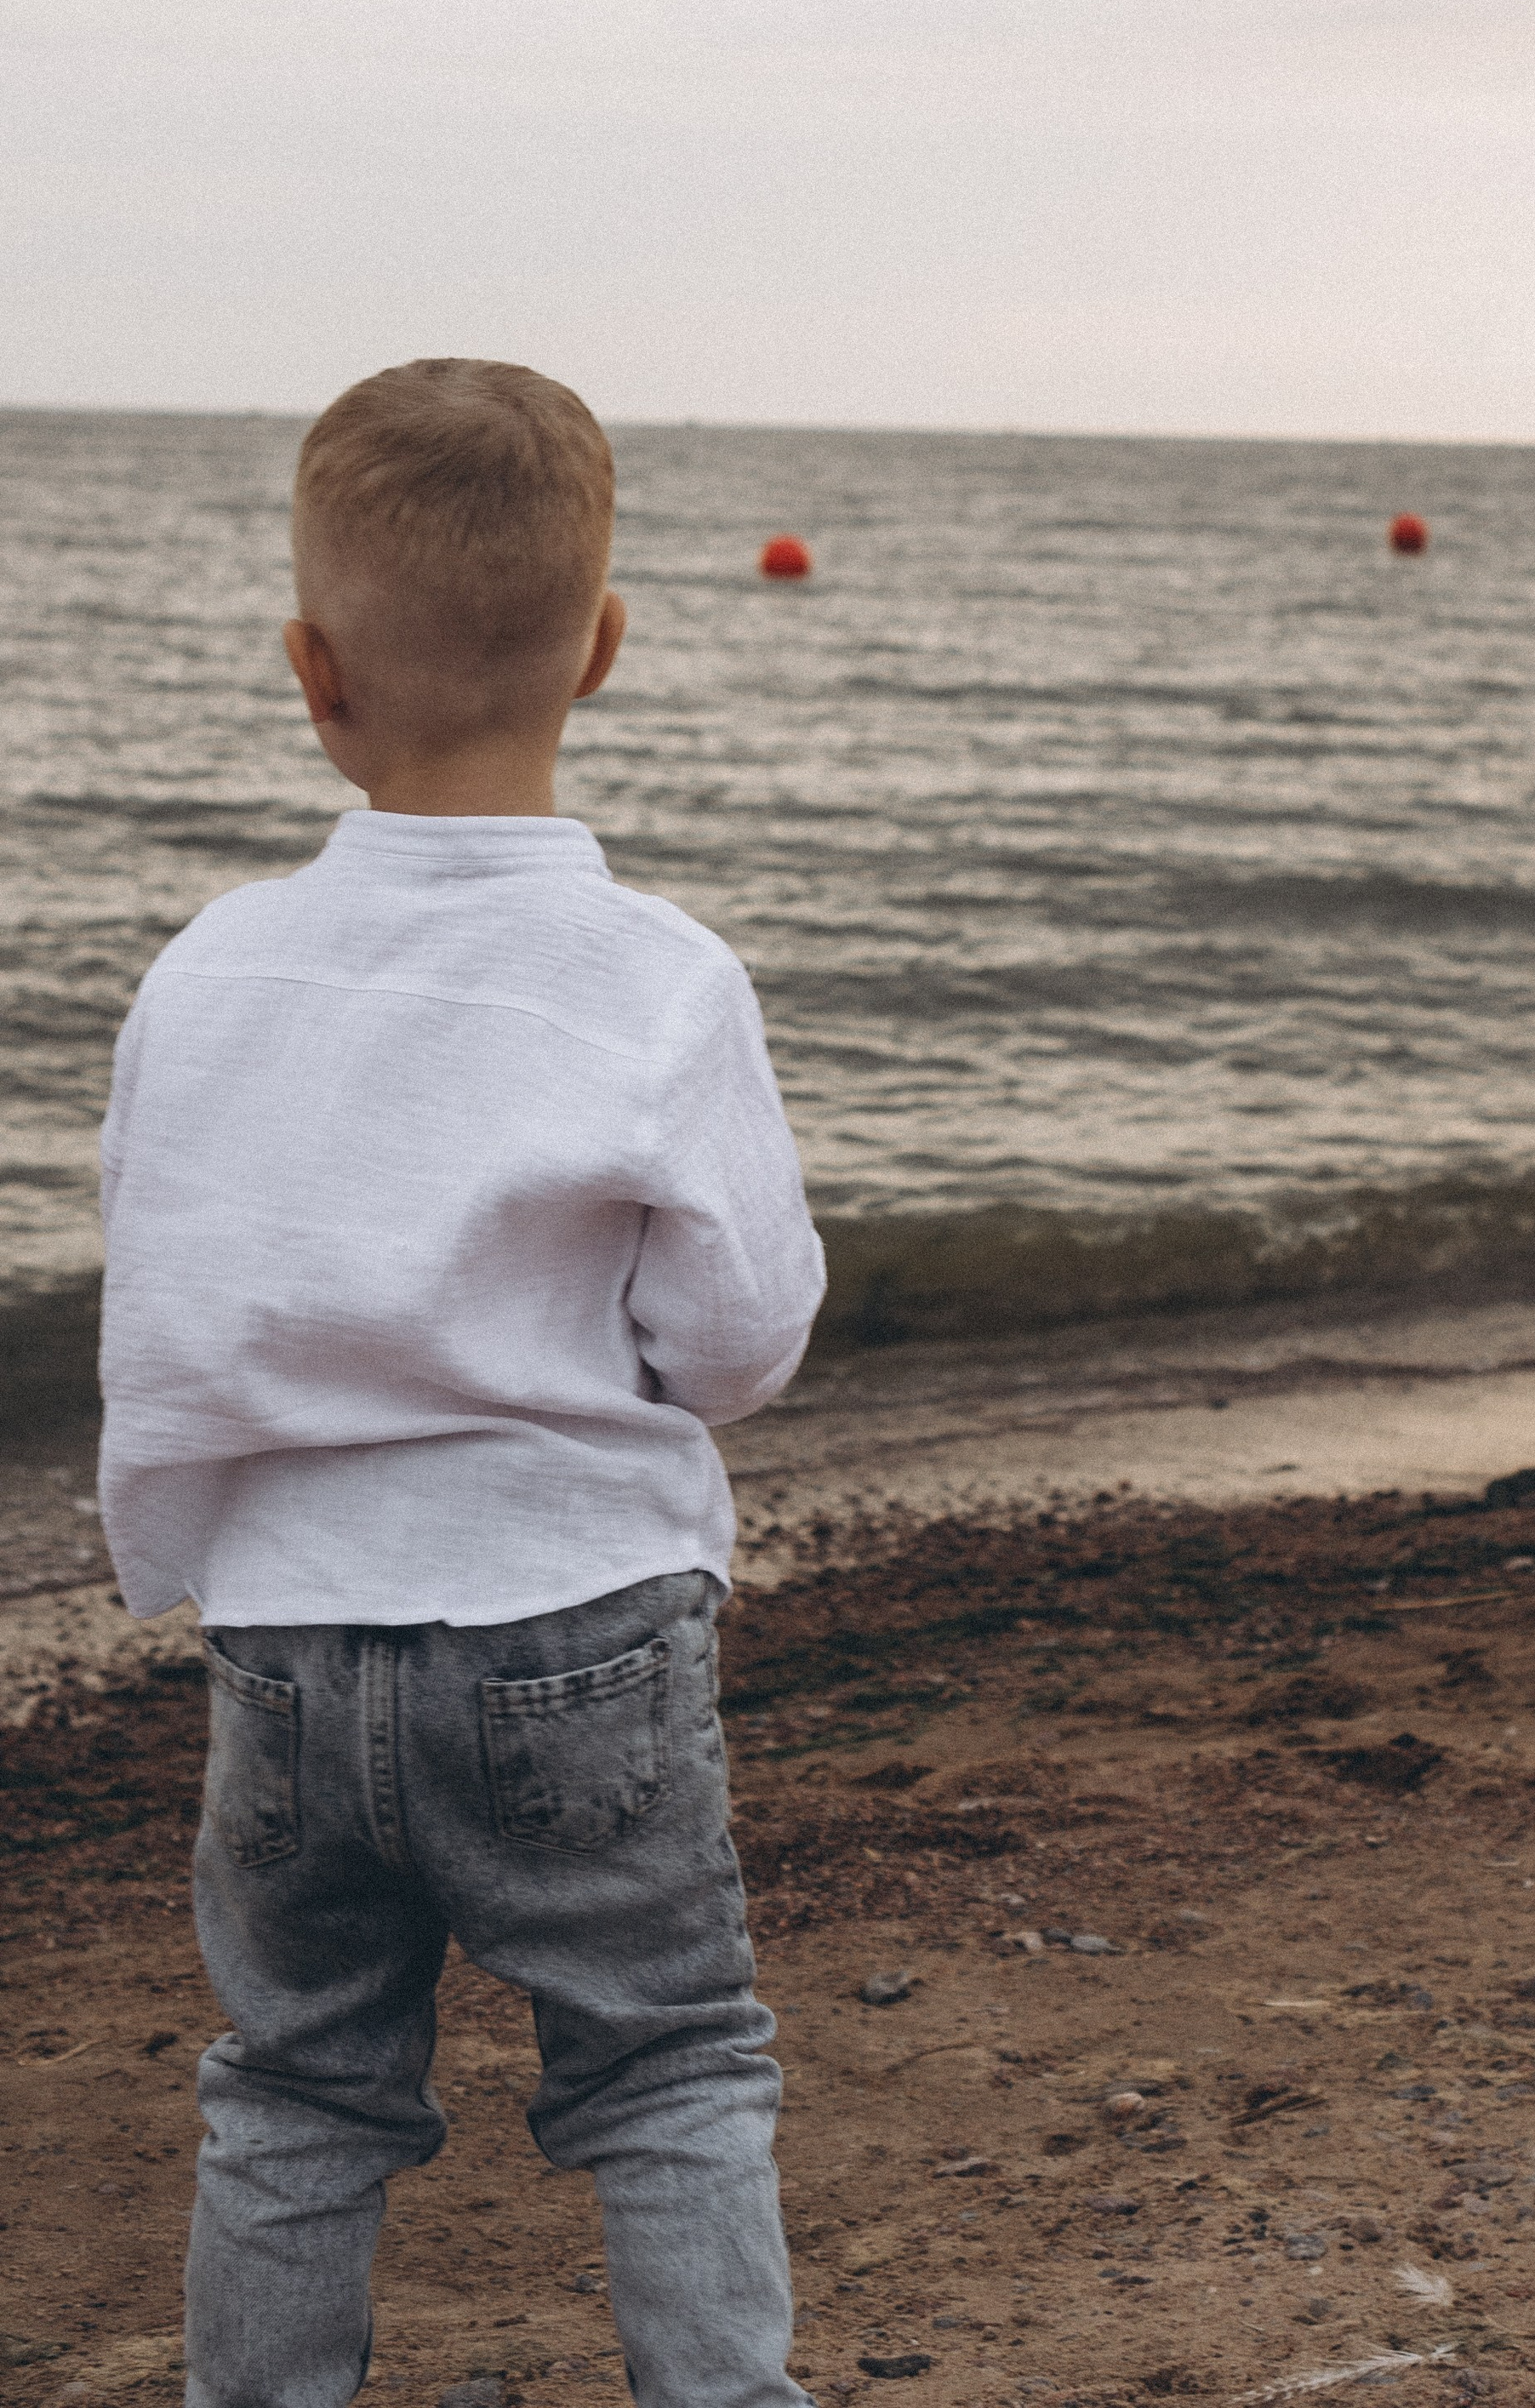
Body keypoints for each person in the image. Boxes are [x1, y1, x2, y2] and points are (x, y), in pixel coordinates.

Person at [98, 358, 826, 2408]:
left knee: (300, 2093)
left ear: (311, 673)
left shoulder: (208, 970)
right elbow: (742, 1339)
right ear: (601, 650)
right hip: (576, 1619)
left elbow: (163, 1280)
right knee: (670, 2059)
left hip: (288, 1641)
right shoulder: (658, 979)